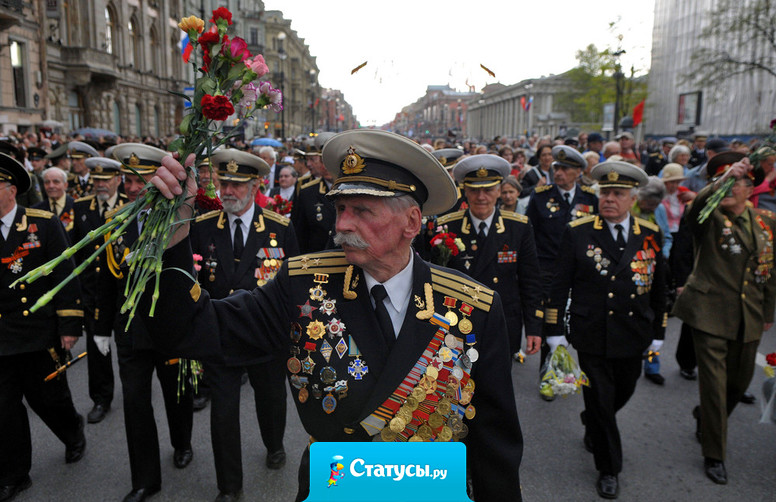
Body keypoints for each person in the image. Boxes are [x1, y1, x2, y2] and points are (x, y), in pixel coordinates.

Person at [145, 129, 525, 502]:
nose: (341, 225)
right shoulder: (301, 284)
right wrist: (173, 234)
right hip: (336, 489)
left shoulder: (471, 306)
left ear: (411, 222)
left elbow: (495, 447)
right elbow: (196, 330)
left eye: (362, 210)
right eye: (341, 208)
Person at [543, 160, 666, 499]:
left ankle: (593, 420)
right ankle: (609, 468)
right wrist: (553, 329)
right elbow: (559, 283)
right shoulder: (578, 231)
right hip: (592, 331)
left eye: (618, 194)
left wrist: (659, 330)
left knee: (623, 389)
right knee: (600, 395)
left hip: (633, 331)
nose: (609, 199)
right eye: (605, 192)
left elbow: (659, 287)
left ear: (633, 199)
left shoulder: (649, 233)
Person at [191, 149, 299, 501]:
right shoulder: (204, 226)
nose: (228, 191)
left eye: (237, 185)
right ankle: (229, 487)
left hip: (264, 334)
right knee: (222, 414)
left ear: (255, 186)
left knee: (271, 398)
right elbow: (194, 282)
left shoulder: (280, 228)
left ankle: (274, 443)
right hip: (221, 334)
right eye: (224, 183)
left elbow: (294, 286)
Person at [96, 144, 194, 502]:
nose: (134, 188)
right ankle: (145, 479)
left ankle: (182, 442)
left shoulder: (178, 215)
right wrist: (100, 327)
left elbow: (190, 271)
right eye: (128, 181)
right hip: (130, 329)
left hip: (168, 325)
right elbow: (105, 278)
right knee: (135, 403)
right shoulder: (115, 219)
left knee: (176, 395)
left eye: (141, 181)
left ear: (159, 179)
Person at [672, 152, 775, 485]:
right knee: (715, 387)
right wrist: (725, 177)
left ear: (751, 188)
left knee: (738, 384)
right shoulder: (708, 216)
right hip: (709, 314)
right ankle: (714, 454)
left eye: (736, 182)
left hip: (749, 316)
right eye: (723, 182)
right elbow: (700, 205)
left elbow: (770, 269)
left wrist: (768, 311)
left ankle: (706, 417)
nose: (729, 188)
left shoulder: (766, 221)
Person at [0, 153, 86, 501]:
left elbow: (64, 274)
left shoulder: (42, 223)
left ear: (10, 189)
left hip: (37, 331)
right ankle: (14, 474)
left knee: (48, 399)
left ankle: (72, 430)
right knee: (4, 409)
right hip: (2, 335)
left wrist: (69, 325)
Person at [435, 155, 543, 360]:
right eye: (474, 190)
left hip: (503, 321)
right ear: (465, 191)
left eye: (488, 190)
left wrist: (534, 327)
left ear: (499, 191)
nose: (481, 197)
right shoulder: (447, 226)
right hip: (458, 323)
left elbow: (530, 281)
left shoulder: (518, 226)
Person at [525, 145, 599, 388]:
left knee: (582, 322)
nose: (558, 173)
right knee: (551, 323)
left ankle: (583, 373)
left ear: (578, 172)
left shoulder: (589, 198)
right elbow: (530, 235)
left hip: (581, 273)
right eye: (556, 168)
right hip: (550, 272)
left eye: (565, 169)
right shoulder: (541, 196)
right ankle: (550, 377)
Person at [71, 157, 128, 424]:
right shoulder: (82, 207)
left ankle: (133, 389)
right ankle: (101, 398)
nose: (100, 184)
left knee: (128, 347)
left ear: (118, 179)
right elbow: (75, 250)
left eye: (106, 179)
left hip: (123, 290)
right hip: (93, 292)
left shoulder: (129, 205)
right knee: (97, 349)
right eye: (96, 180)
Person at [631, 176, 670, 385]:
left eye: (655, 204)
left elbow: (667, 236)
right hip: (632, 268)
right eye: (649, 203)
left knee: (655, 316)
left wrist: (663, 254)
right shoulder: (631, 208)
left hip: (654, 266)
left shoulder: (659, 210)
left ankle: (653, 365)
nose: (652, 207)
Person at [34, 167, 75, 241]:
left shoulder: (77, 206)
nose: (51, 186)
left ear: (65, 185)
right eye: (47, 182)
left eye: (56, 182)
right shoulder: (36, 210)